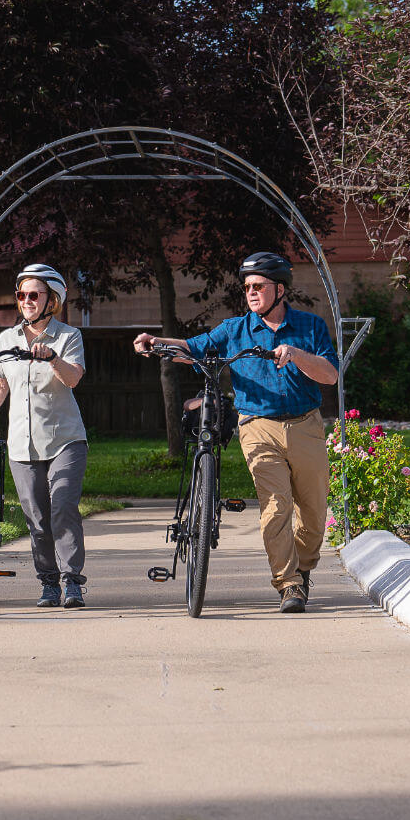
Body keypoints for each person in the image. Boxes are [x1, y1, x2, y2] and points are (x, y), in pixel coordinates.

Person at [133, 251, 339, 614]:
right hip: (257, 425)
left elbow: (330, 374)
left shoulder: (310, 326)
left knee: (314, 513)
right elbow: (192, 348)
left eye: (258, 286)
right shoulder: (235, 330)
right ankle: (288, 583)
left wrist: (295, 354)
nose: (251, 292)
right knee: (276, 506)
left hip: (305, 424)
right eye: (247, 287)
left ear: (280, 289)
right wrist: (157, 343)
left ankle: (303, 568)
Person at [0, 264, 88, 609]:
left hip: (65, 440)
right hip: (22, 444)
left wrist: (52, 358)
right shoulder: (6, 339)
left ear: (51, 300)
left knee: (63, 508)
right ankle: (49, 584)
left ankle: (72, 582)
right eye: (21, 294)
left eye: (33, 295)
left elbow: (73, 378)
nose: (26, 300)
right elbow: (0, 383)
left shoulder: (68, 336)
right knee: (37, 519)